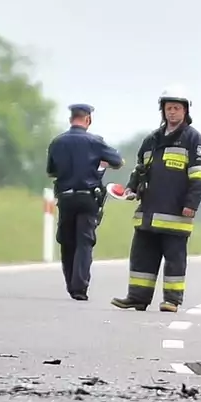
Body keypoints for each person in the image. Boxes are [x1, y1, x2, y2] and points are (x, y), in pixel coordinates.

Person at [112, 87, 201, 313]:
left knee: (174, 261)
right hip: (147, 213)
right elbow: (140, 170)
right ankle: (137, 297)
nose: (172, 113)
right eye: (168, 109)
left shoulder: (193, 140)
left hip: (176, 215)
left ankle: (172, 301)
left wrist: (191, 204)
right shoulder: (151, 140)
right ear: (162, 111)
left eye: (177, 108)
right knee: (141, 258)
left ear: (185, 111)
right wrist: (131, 189)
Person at [47, 103, 124, 301]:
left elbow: (51, 171)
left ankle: (70, 284)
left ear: (70, 119)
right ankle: (79, 287)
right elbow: (118, 161)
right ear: (88, 119)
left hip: (65, 197)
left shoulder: (57, 142)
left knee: (67, 240)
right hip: (88, 197)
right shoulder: (95, 141)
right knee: (84, 241)